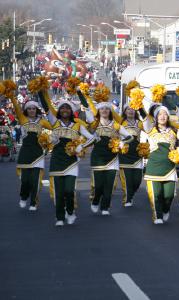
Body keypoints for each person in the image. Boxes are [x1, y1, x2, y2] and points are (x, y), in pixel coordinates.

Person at [38, 93, 95, 226]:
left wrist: (81, 146)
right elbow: (46, 106)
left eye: (67, 108)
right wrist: (40, 91)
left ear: (71, 111)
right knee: (58, 192)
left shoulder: (77, 125)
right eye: (62, 108)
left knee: (69, 191)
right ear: (59, 110)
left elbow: (92, 138)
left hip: (71, 161)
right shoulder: (54, 121)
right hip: (57, 160)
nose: (64, 110)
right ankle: (59, 217)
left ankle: (70, 211)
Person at [88, 95, 133, 216]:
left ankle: (105, 207)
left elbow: (130, 136)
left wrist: (123, 142)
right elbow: (87, 133)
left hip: (112, 159)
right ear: (98, 111)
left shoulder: (116, 125)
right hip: (97, 158)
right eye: (102, 109)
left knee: (110, 185)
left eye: (107, 109)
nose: (104, 111)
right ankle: (96, 199)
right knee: (98, 185)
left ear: (110, 111)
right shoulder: (94, 124)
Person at [144, 106, 179, 224]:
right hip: (153, 167)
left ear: (168, 117)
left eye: (165, 114)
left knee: (169, 196)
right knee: (155, 195)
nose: (162, 117)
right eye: (160, 114)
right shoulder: (150, 129)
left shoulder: (173, 130)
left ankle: (165, 210)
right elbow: (144, 116)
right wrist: (139, 104)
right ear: (156, 117)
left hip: (169, 168)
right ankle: (157, 216)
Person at [9, 93, 52, 211]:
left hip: (38, 154)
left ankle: (33, 202)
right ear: (26, 110)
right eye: (29, 108)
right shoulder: (22, 119)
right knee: (25, 180)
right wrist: (11, 95)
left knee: (35, 181)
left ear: (36, 109)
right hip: (25, 153)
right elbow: (16, 106)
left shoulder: (42, 121)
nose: (32, 110)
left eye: (34, 108)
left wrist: (49, 142)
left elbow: (55, 127)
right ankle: (23, 196)